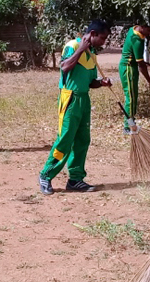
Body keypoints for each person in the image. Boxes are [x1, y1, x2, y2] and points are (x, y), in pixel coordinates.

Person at [39, 20, 113, 195]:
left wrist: (101, 83)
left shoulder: (92, 54)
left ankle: (75, 179)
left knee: (82, 140)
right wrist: (81, 49)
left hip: (84, 99)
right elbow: (64, 67)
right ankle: (46, 175)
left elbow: (90, 82)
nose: (104, 42)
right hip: (70, 98)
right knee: (65, 139)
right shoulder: (72, 46)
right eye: (102, 38)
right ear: (93, 34)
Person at [119, 20, 150, 134]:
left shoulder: (133, 29)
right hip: (128, 68)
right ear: (142, 27)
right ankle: (127, 126)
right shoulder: (137, 40)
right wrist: (149, 82)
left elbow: (137, 57)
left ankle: (132, 121)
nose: (149, 33)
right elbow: (141, 66)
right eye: (149, 30)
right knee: (130, 97)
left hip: (131, 66)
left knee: (134, 96)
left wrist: (143, 62)